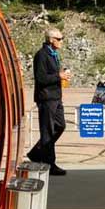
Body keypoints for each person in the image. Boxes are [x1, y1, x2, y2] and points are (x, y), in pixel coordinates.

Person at [28, 26, 72, 176]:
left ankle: (36, 153)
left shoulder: (53, 54)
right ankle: (49, 164)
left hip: (56, 97)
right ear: (51, 40)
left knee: (60, 126)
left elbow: (52, 74)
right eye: (59, 39)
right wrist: (58, 76)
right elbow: (41, 78)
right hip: (46, 98)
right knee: (47, 131)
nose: (61, 42)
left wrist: (62, 75)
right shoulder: (41, 55)